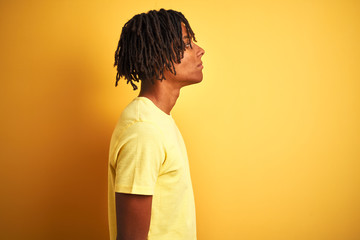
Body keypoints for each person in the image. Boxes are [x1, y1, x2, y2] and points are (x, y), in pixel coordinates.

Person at [108, 9, 205, 240]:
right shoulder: (144, 131)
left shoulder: (158, 119)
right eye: (187, 43)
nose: (200, 51)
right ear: (159, 55)